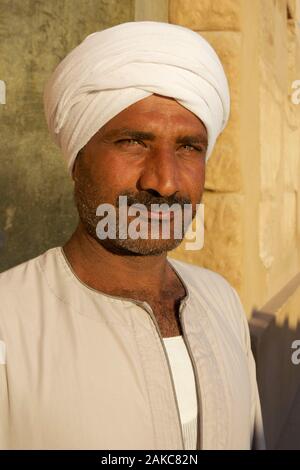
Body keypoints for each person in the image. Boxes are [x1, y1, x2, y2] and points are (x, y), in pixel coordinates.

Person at [0, 21, 265, 450]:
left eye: (188, 147)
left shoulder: (222, 301)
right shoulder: (9, 321)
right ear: (77, 158)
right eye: (133, 142)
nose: (163, 182)